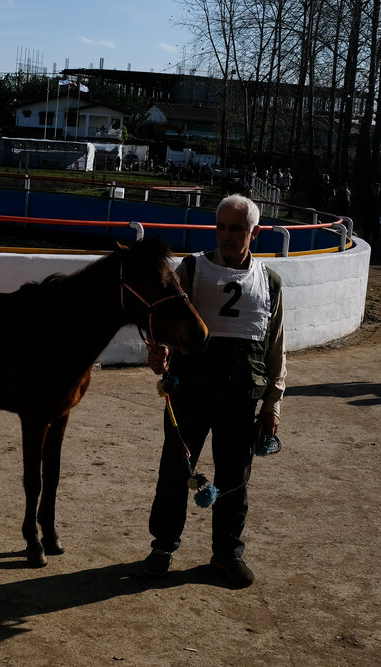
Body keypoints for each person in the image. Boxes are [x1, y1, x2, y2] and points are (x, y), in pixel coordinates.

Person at [143, 194, 286, 588]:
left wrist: (272, 406)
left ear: (254, 232)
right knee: (174, 469)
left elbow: (275, 348)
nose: (226, 235)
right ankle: (163, 547)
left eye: (236, 228)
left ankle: (226, 553)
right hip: (190, 391)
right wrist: (161, 353)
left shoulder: (269, 283)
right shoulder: (191, 269)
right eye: (221, 226)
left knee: (235, 477)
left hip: (241, 397)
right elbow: (169, 325)